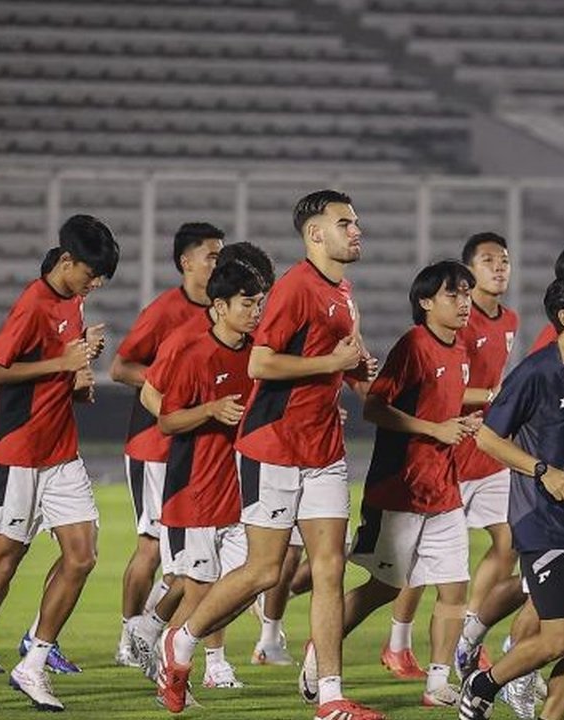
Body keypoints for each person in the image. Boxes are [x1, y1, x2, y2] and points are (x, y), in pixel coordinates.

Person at [156, 190, 383, 720]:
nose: (356, 230)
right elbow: (260, 363)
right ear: (315, 233)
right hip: (273, 447)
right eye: (345, 223)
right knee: (263, 571)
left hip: (324, 450)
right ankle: (180, 642)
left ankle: (330, 697)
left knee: (330, 569)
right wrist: (330, 362)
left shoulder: (344, 292)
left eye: (356, 222)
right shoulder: (295, 288)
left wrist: (357, 368)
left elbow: (342, 360)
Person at [0, 215, 119, 713]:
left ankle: (33, 664)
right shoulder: (32, 305)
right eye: (91, 274)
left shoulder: (73, 300)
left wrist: (80, 374)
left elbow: (65, 375)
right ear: (67, 261)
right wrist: (63, 363)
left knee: (82, 556)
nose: (95, 284)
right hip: (17, 454)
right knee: (3, 564)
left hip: (61, 452)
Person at [304, 260, 482, 707]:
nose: (463, 302)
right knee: (385, 587)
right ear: (426, 302)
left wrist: (460, 424)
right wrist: (435, 429)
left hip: (444, 489)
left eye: (466, 293)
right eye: (453, 294)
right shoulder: (414, 345)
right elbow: (375, 408)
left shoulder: (460, 349)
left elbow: (441, 410)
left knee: (454, 587)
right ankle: (318, 650)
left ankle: (437, 684)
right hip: (400, 489)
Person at [458, 272, 564, 720]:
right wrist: (542, 471)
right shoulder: (535, 373)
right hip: (541, 520)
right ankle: (483, 683)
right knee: (561, 637)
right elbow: (488, 438)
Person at [384, 233, 518, 680]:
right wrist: (493, 396)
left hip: (487, 446)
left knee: (510, 542)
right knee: (420, 560)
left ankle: (467, 634)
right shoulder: (453, 324)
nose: (499, 267)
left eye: (504, 260)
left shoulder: (510, 319)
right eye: (487, 260)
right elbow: (441, 389)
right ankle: (398, 642)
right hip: (450, 449)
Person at [138, 259, 268, 697]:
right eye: (247, 304)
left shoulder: (259, 355)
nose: (255, 312)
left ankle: (168, 642)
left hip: (241, 493)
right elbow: (167, 421)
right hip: (194, 492)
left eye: (259, 303)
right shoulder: (195, 355)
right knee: (198, 592)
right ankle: (182, 668)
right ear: (220, 306)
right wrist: (211, 409)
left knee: (246, 584)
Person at [112, 223, 225, 667]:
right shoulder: (165, 311)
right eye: (211, 255)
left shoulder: (222, 311)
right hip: (154, 445)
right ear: (185, 262)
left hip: (196, 448)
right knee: (152, 545)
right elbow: (121, 367)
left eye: (221, 255)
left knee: (191, 553)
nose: (218, 262)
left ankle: (151, 626)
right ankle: (129, 637)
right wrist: (173, 385)